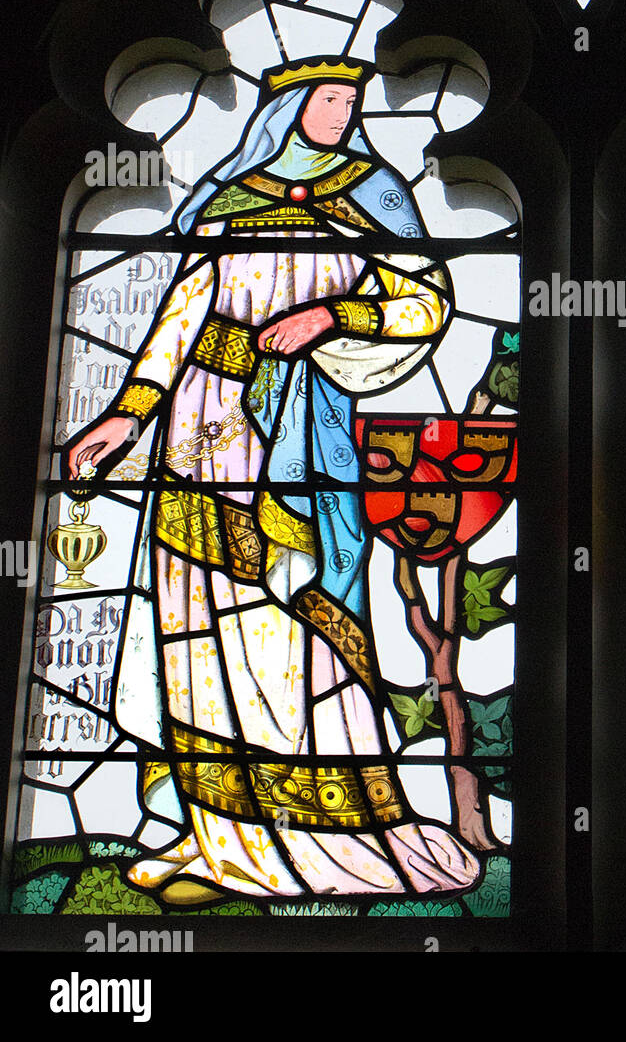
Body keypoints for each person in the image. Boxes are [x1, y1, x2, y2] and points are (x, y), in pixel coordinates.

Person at [68, 57, 481, 905]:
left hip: (302, 431)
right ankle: (218, 831)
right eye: (329, 99)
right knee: (198, 621)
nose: (342, 114)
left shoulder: (374, 191)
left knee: (297, 617)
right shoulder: (232, 197)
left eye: (352, 102)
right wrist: (127, 414)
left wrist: (333, 314)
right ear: (290, 106)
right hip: (200, 428)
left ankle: (327, 832)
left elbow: (425, 300)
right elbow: (185, 312)